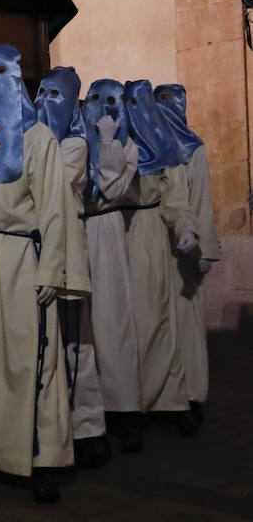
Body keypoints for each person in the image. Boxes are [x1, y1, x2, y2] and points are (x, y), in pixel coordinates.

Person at [0, 45, 73, 503]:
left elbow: (55, 209)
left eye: (2, 72)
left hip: (23, 258)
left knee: (36, 360)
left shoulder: (38, 138)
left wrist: (51, 266)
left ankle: (44, 457)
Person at [34, 67, 108, 468]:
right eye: (40, 92)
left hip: (68, 245)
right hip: (39, 244)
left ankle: (88, 426)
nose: (45, 101)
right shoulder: (32, 140)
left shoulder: (76, 144)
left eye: (56, 95)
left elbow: (52, 187)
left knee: (76, 340)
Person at [122, 80, 198, 435]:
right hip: (117, 234)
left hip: (150, 233)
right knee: (125, 327)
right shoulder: (115, 144)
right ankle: (129, 405)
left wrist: (185, 227)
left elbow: (176, 198)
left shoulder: (166, 149)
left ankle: (169, 399)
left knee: (157, 319)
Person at [80, 80, 144, 452]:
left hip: (106, 228)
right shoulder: (73, 135)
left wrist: (107, 144)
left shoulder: (126, 144)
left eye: (111, 101)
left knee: (114, 321)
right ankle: (90, 415)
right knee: (84, 327)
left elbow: (112, 190)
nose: (102, 108)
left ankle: (124, 411)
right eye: (95, 100)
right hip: (78, 228)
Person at [154, 84, 219, 424]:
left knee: (189, 325)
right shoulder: (151, 145)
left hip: (187, 251)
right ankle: (167, 395)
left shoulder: (193, 148)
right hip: (158, 250)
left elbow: (203, 201)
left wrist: (204, 247)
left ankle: (193, 394)